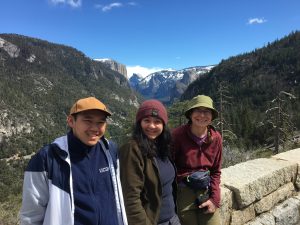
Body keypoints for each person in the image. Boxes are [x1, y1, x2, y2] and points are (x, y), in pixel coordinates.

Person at [20, 97, 128, 225]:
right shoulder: (47, 158)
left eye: (100, 122)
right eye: (88, 121)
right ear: (71, 121)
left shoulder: (110, 151)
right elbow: (30, 216)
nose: (95, 128)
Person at [119, 100, 181, 225]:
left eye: (157, 121)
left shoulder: (161, 146)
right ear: (139, 123)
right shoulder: (132, 149)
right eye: (146, 120)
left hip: (172, 219)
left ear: (163, 125)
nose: (152, 126)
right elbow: (131, 197)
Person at [171, 95, 222, 225]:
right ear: (190, 114)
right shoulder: (177, 136)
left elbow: (216, 171)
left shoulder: (216, 138)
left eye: (207, 111)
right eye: (198, 110)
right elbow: (169, 167)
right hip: (184, 192)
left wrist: (215, 200)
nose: (202, 115)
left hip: (206, 191)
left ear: (211, 116)